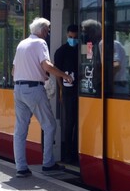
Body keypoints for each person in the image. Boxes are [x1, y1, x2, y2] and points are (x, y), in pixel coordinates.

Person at [11, 17, 72, 177]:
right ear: (43, 30)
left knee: (20, 130)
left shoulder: (22, 44)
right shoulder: (40, 43)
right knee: (50, 125)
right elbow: (46, 65)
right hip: (33, 89)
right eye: (48, 30)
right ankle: (48, 163)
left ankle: (21, 168)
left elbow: (13, 70)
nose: (48, 33)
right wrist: (64, 76)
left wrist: (33, 74)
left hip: (18, 89)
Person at [52, 24, 79, 164]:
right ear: (66, 35)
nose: (73, 39)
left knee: (79, 122)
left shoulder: (83, 49)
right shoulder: (61, 51)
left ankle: (76, 151)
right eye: (70, 37)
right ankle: (69, 154)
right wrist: (61, 89)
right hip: (68, 91)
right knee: (70, 122)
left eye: (75, 37)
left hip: (82, 91)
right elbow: (57, 73)